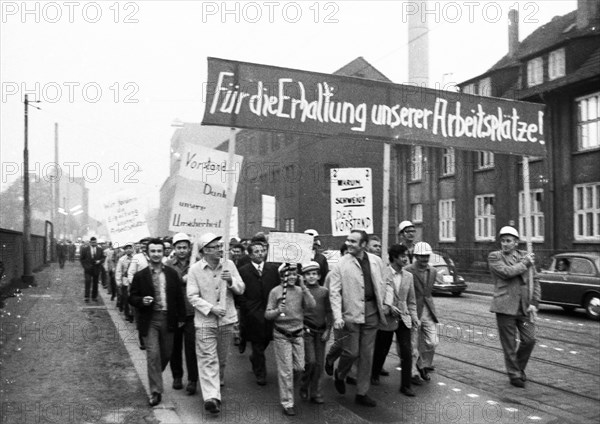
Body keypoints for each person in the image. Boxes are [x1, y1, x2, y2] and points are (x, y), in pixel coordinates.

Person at [187, 233, 245, 414]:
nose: (219, 250)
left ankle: (216, 382)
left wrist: (231, 281)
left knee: (221, 357)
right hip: (205, 322)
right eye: (214, 247)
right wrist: (211, 308)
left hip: (227, 320)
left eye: (220, 246)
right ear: (204, 251)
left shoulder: (230, 265)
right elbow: (192, 296)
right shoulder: (195, 270)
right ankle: (212, 398)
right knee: (207, 358)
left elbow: (241, 289)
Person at [329, 229, 387, 408]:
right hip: (351, 314)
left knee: (366, 355)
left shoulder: (376, 261)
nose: (349, 244)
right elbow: (334, 292)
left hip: (372, 312)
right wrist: (338, 316)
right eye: (348, 240)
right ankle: (340, 373)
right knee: (351, 352)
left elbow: (385, 283)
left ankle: (362, 393)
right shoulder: (341, 264)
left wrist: (384, 304)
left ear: (363, 245)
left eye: (353, 241)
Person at [128, 238, 186, 407]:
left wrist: (181, 317)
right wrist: (141, 301)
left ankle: (154, 375)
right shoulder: (140, 276)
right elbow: (132, 297)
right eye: (152, 251)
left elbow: (178, 297)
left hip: (168, 319)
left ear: (164, 252)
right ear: (147, 253)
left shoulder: (172, 274)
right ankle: (155, 391)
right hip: (150, 320)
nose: (156, 254)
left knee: (166, 353)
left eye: (159, 251)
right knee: (153, 355)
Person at [488, 226, 540, 388]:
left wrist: (534, 302)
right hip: (505, 309)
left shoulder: (525, 256)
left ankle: (518, 368)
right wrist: (525, 263)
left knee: (529, 339)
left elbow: (535, 280)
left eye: (509, 241)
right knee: (509, 344)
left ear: (516, 242)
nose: (505, 244)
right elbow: (507, 272)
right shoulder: (495, 256)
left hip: (523, 310)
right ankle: (514, 374)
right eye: (503, 241)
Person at [265, 263, 316, 416]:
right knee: (286, 370)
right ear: (282, 276)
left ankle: (289, 388)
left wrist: (304, 287)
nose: (292, 277)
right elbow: (267, 314)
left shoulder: (301, 291)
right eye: (289, 274)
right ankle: (287, 402)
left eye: (295, 274)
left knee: (300, 367)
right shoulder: (276, 292)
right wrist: (276, 311)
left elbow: (312, 305)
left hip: (298, 334)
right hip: (282, 335)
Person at [372, 244, 419, 396]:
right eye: (403, 256)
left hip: (403, 318)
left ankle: (405, 386)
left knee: (407, 351)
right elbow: (378, 297)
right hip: (387, 318)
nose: (406, 258)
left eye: (407, 255)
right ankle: (374, 373)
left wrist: (414, 317)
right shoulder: (382, 274)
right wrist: (388, 307)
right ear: (394, 257)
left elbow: (411, 300)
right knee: (382, 349)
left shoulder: (408, 276)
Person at [237, 241, 280, 385]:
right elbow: (240, 291)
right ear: (249, 255)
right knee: (257, 342)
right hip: (252, 312)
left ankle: (255, 357)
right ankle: (260, 372)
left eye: (262, 251)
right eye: (256, 251)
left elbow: (278, 287)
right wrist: (246, 307)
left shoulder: (273, 269)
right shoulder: (243, 271)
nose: (260, 254)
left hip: (269, 309)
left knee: (267, 338)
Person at [166, 232, 198, 395]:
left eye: (185, 247)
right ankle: (177, 376)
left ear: (189, 248)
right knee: (174, 347)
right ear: (174, 248)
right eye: (179, 247)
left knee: (192, 347)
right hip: (175, 312)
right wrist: (182, 279)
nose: (182, 250)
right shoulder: (169, 265)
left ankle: (193, 379)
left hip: (193, 312)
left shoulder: (197, 263)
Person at [404, 242, 439, 385]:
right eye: (421, 257)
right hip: (413, 311)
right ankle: (413, 373)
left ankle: (422, 364)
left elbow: (428, 293)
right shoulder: (408, 270)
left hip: (428, 311)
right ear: (416, 256)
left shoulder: (433, 271)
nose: (424, 260)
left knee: (433, 341)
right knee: (413, 344)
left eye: (426, 256)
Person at [299, 261, 332, 404]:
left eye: (314, 274)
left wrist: (328, 330)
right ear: (304, 277)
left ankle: (316, 392)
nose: (311, 277)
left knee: (319, 364)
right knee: (310, 361)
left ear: (319, 276)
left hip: (321, 330)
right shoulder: (301, 291)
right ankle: (304, 385)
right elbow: (298, 311)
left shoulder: (324, 292)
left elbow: (329, 312)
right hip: (307, 330)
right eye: (308, 274)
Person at [129, 237, 151, 350]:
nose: (144, 247)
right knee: (141, 316)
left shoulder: (157, 256)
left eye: (146, 245)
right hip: (141, 291)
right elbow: (131, 273)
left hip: (154, 290)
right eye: (142, 245)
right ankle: (143, 341)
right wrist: (136, 286)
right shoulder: (137, 258)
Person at [79, 237, 105, 302]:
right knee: (87, 281)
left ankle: (94, 297)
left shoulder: (100, 249)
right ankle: (87, 297)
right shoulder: (85, 249)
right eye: (93, 242)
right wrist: (85, 267)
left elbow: (103, 258)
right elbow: (82, 259)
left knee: (95, 283)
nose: (94, 244)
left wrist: (100, 261)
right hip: (88, 269)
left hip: (96, 269)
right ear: (90, 242)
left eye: (95, 242)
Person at [115, 242, 135, 322]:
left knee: (133, 298)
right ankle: (127, 314)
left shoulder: (136, 258)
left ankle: (133, 314)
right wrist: (118, 282)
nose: (128, 250)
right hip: (125, 281)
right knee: (126, 298)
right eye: (126, 248)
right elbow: (118, 271)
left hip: (134, 281)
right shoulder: (122, 259)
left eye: (130, 248)